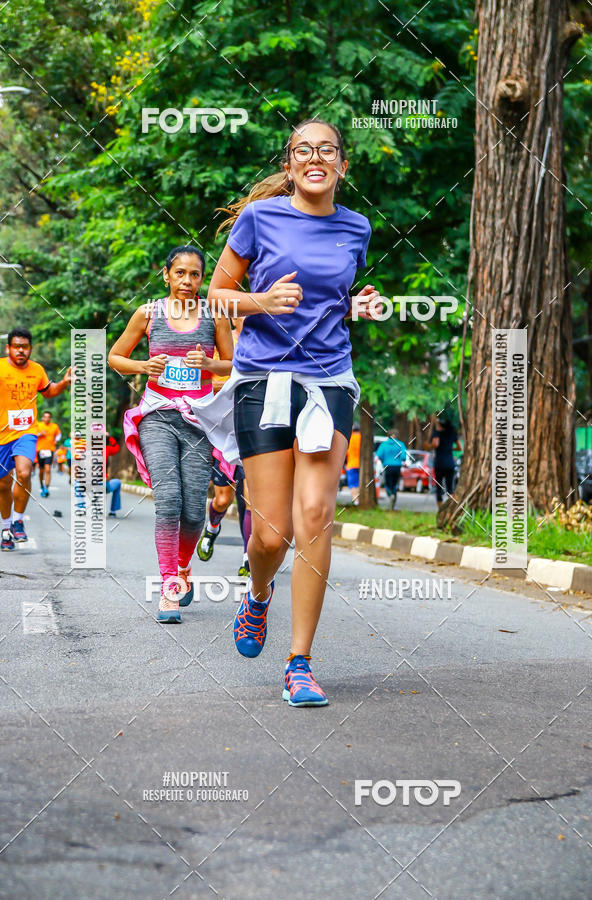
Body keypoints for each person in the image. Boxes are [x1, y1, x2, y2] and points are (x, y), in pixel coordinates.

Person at [190, 117, 381, 707]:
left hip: (329, 383)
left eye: (327, 149)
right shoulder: (259, 219)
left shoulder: (357, 227)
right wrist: (261, 300)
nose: (315, 158)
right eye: (304, 150)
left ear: (342, 165)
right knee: (271, 535)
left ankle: (299, 662)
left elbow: (334, 299)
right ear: (291, 162)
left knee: (316, 514)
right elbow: (214, 294)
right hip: (264, 380)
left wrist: (360, 306)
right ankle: (259, 593)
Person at [108, 245, 233, 623]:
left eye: (195, 274)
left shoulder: (215, 314)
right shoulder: (148, 313)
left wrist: (211, 363)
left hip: (198, 420)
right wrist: (142, 365)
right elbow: (116, 356)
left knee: (195, 509)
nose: (187, 281)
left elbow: (235, 362)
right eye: (180, 273)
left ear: (202, 278)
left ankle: (182, 566)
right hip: (157, 416)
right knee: (169, 500)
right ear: (166, 275)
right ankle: (168, 587)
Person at [0, 328, 71, 551]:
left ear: (30, 348)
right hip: (2, 434)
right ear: (8, 348)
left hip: (26, 432)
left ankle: (18, 520)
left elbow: (49, 391)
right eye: (16, 346)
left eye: (25, 346)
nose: (21, 350)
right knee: (2, 485)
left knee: (23, 471)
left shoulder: (37, 370)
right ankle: (5, 528)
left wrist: (65, 382)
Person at [197, 317, 252, 577]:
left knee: (252, 500)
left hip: (253, 426)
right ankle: (212, 528)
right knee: (222, 499)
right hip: (224, 430)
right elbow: (208, 379)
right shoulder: (221, 339)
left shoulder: (266, 339)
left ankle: (248, 558)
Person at [430, 411, 462, 510]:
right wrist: (449, 448)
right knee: (450, 488)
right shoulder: (452, 433)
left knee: (439, 488)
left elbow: (435, 444)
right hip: (450, 464)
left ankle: (440, 509)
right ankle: (450, 509)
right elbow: (459, 447)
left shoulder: (437, 432)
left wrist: (429, 446)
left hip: (439, 463)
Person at [376, 430, 407, 510]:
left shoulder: (384, 445)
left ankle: (390, 495)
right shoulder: (401, 444)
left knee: (387, 484)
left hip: (387, 466)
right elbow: (403, 457)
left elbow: (379, 455)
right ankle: (393, 503)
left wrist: (384, 460)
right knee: (395, 484)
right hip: (397, 466)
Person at [36, 410, 61, 497]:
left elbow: (59, 434)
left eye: (48, 417)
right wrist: (40, 434)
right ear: (42, 417)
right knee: (41, 470)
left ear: (50, 418)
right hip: (40, 450)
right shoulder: (38, 425)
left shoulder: (54, 426)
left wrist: (56, 440)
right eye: (45, 417)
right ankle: (41, 485)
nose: (46, 418)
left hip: (50, 450)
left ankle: (46, 488)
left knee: (48, 469)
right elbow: (33, 435)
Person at [105, 433, 121, 517]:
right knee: (118, 482)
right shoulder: (106, 449)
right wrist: (110, 436)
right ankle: (112, 511)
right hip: (103, 483)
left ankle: (81, 507)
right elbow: (116, 448)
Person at [345, 423, 361, 505]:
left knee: (353, 484)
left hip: (351, 464)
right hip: (361, 465)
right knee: (360, 483)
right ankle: (360, 500)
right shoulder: (362, 438)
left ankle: (356, 501)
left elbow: (346, 452)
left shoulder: (349, 438)